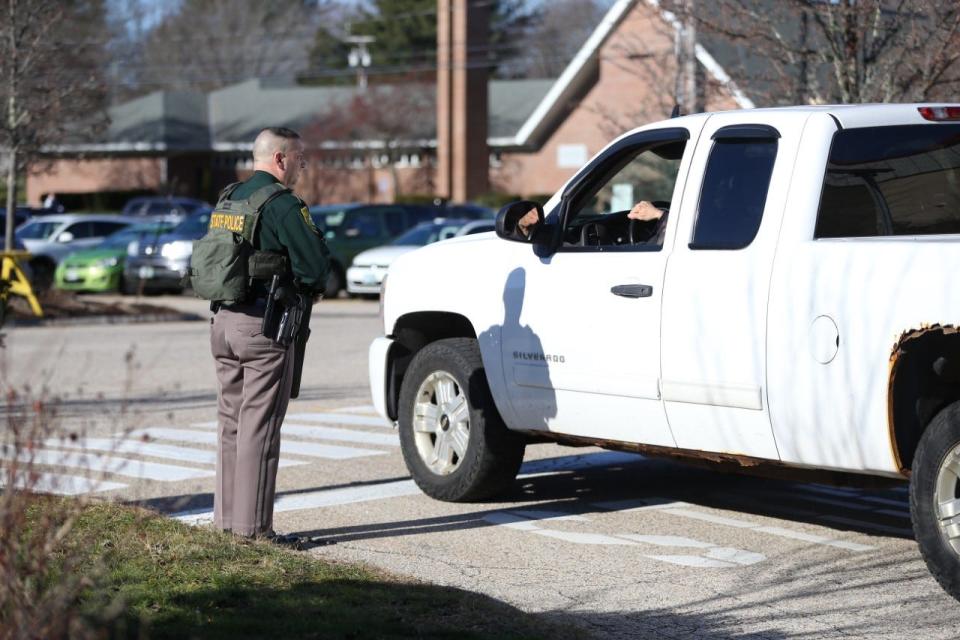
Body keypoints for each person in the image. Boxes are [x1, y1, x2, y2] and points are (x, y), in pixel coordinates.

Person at [209, 126, 328, 544]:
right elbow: (315, 269)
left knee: (231, 425)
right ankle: (255, 531)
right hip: (263, 326)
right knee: (260, 427)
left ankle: (226, 524)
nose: (302, 166)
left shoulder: (229, 198)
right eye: (299, 158)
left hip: (222, 323)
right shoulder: (281, 204)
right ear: (280, 159)